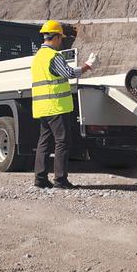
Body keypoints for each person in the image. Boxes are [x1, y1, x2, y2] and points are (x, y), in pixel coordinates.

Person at [31, 20, 97, 189]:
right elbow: (68, 73)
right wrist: (87, 66)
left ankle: (40, 179)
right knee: (62, 142)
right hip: (56, 106)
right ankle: (60, 180)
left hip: (42, 107)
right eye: (61, 38)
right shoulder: (53, 56)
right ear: (56, 37)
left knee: (43, 142)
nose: (61, 42)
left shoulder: (38, 56)